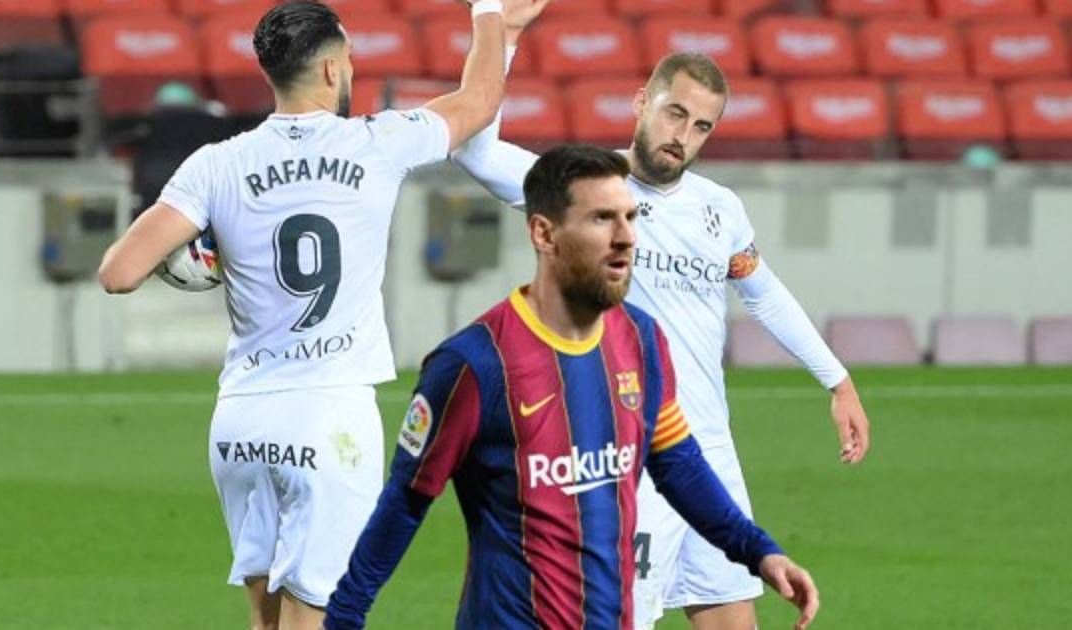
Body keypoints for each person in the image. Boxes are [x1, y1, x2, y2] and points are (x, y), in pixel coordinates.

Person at [97, 1, 550, 628]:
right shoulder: (378, 141)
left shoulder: (215, 164)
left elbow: (118, 272)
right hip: (329, 415)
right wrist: (491, 13)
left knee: (266, 622)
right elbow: (478, 103)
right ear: (334, 69)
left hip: (241, 419)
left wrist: (215, 258)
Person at [450, 48, 871, 630]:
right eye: (675, 114)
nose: (683, 136)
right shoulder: (581, 187)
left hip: (708, 454)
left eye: (701, 126)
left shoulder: (719, 209)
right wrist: (504, 35)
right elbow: (475, 152)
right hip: (624, 455)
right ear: (642, 102)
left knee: (733, 618)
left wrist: (838, 381)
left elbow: (764, 294)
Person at [324, 145, 819, 630]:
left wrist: (759, 551)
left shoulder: (641, 340)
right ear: (544, 233)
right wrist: (343, 618)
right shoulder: (473, 364)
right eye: (602, 219)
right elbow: (406, 501)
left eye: (630, 217)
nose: (626, 237)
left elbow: (678, 463)